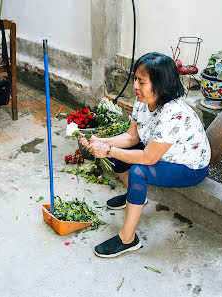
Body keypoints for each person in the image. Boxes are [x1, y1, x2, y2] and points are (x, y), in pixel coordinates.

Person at [78, 52, 211, 258]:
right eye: (135, 79)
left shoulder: (172, 113)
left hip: (189, 167)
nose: (135, 86)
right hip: (161, 154)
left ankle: (128, 239)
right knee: (116, 155)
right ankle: (135, 196)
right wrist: (100, 142)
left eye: (141, 81)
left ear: (160, 85)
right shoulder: (142, 101)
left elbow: (149, 159)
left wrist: (108, 149)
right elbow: (131, 137)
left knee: (138, 171)